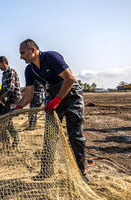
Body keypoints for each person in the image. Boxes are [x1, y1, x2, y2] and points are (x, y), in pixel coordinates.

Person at [15, 39, 87, 181]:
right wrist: (17, 107)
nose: (21, 56)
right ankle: (46, 172)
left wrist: (57, 100)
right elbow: (29, 94)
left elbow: (70, 79)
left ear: (33, 50)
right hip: (53, 97)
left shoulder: (51, 57)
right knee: (50, 136)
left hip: (71, 95)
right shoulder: (29, 70)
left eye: (23, 52)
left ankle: (81, 174)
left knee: (75, 136)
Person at [0, 56, 21, 147]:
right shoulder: (4, 74)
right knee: (3, 120)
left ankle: (16, 137)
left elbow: (10, 89)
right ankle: (6, 142)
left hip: (14, 100)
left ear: (4, 63)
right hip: (7, 100)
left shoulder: (11, 72)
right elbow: (2, 90)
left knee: (5, 120)